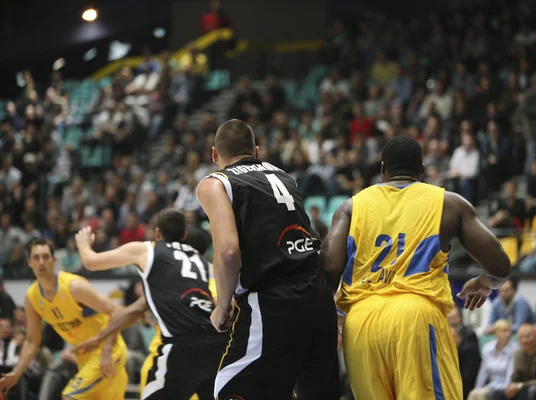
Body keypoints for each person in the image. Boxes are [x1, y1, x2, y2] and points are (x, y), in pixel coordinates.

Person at [321, 135, 512, 399]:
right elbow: (500, 266)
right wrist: (484, 283)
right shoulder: (448, 203)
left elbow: (329, 268)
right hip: (415, 317)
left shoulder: (351, 206)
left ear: (382, 169)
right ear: (422, 171)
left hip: (361, 323)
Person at [196, 119, 340, 400]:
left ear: (215, 154)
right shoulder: (285, 176)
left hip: (272, 302)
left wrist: (222, 307)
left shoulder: (216, 183)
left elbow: (227, 251)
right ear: (256, 151)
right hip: (318, 296)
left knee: (228, 390)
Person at [74, 209, 225, 400]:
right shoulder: (203, 262)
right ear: (183, 235)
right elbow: (138, 308)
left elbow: (90, 262)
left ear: (157, 233)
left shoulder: (148, 250)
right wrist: (101, 337)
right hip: (216, 346)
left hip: (180, 345)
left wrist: (83, 243)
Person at [0, 238, 128, 399]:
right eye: (36, 258)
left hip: (108, 351)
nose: (41, 262)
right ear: (30, 262)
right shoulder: (32, 297)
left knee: (69, 396)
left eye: (46, 257)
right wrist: (15, 374)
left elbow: (116, 312)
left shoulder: (74, 287)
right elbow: (32, 341)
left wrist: (107, 352)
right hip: (84, 358)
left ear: (54, 260)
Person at [468, 319, 519, 400]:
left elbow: (511, 374)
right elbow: (483, 372)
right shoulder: (488, 348)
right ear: (496, 333)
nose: (508, 334)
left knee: (482, 395)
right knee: (473, 393)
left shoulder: (514, 349)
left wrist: (507, 390)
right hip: (492, 385)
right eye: (504, 331)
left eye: (510, 331)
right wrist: (477, 388)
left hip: (505, 386)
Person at [506, 324, 536, 400]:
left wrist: (520, 385)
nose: (525, 340)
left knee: (533, 390)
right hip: (524, 388)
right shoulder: (518, 354)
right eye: (521, 337)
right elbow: (516, 377)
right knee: (496, 393)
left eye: (528, 336)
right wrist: (511, 385)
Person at [451, 325, 481, 399]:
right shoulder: (449, 351)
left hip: (468, 387)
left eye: (451, 337)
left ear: (458, 337)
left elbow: (467, 377)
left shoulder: (469, 350)